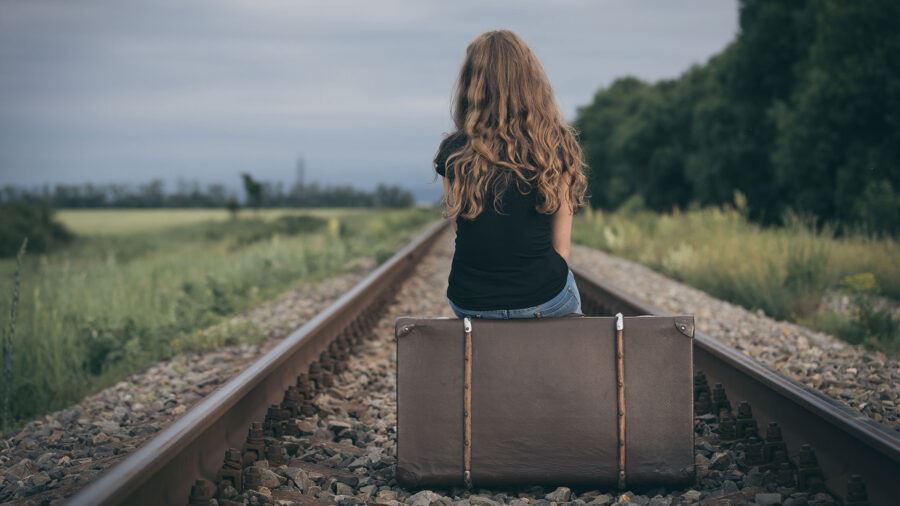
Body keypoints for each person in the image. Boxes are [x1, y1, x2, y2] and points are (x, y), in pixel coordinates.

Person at [433, 29, 589, 320]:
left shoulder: (455, 153)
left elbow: (466, 234)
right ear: (531, 82)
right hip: (545, 299)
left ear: (471, 84)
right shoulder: (556, 145)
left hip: (470, 301)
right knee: (569, 294)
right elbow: (561, 250)